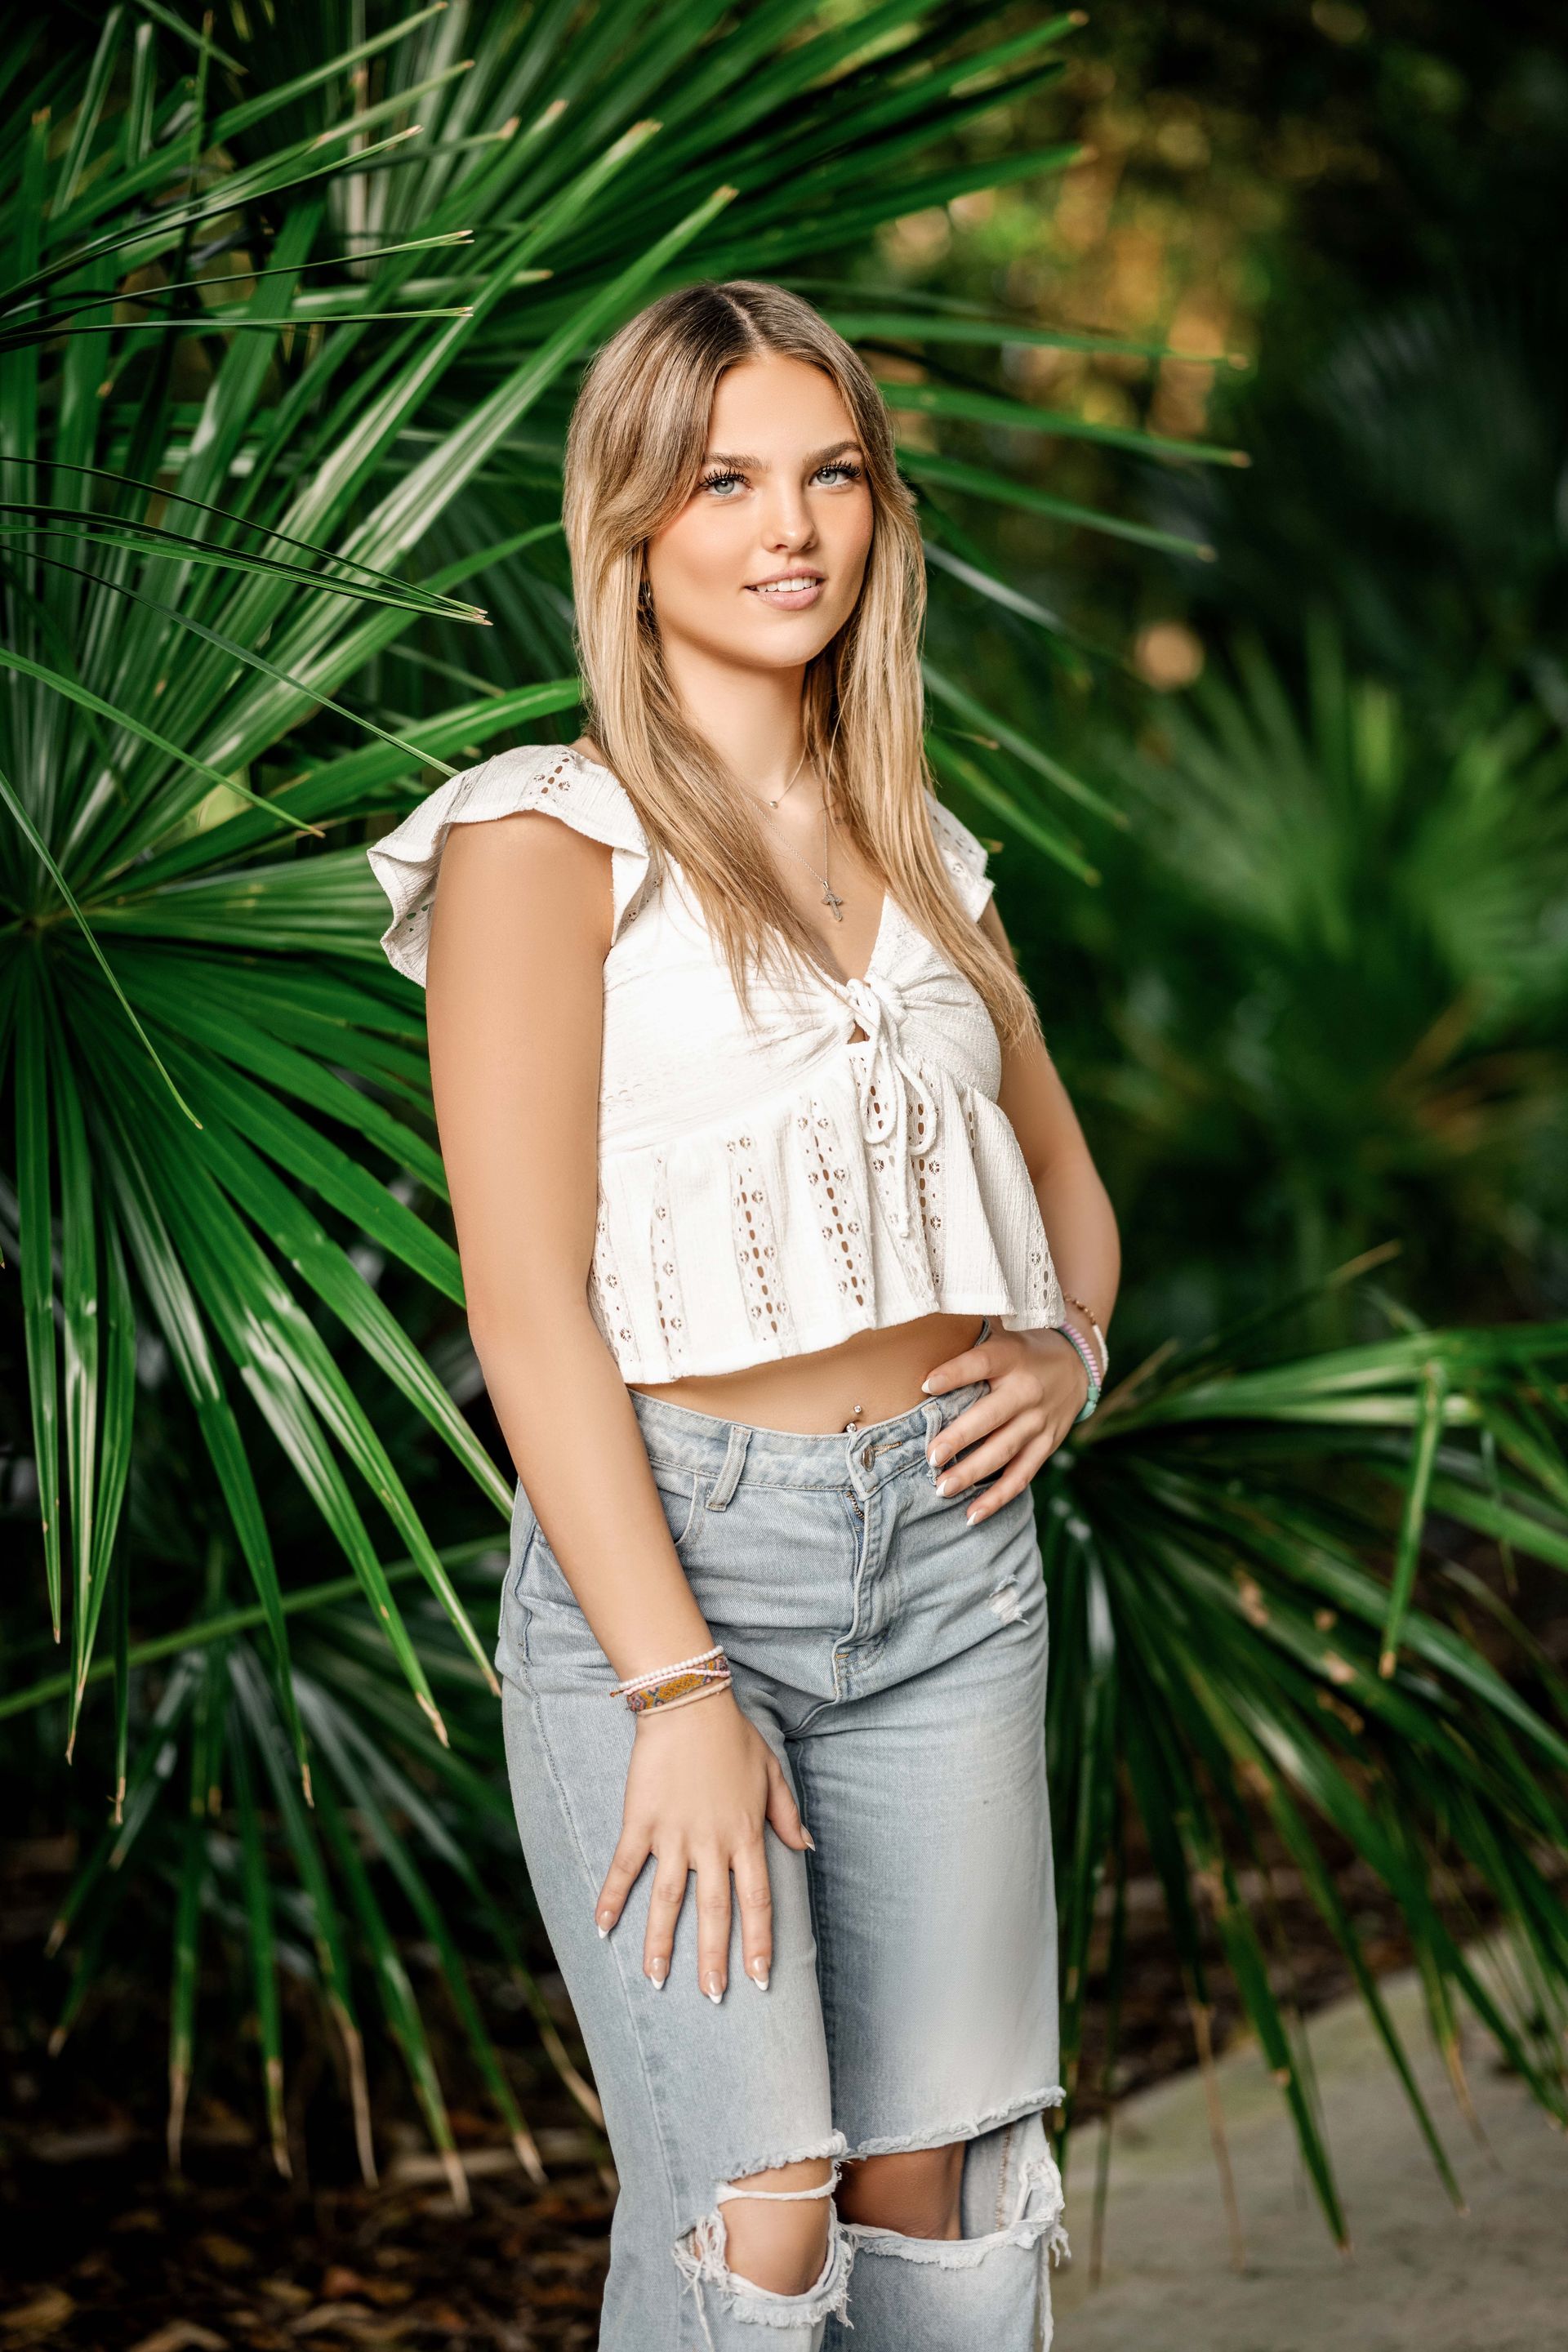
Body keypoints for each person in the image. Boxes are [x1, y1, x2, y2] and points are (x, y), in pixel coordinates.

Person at [368, 278, 1120, 2352]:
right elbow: (524, 1309)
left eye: (833, 476)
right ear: (632, 524)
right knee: (757, 2217)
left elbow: (1062, 1196)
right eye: (725, 481)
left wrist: (1066, 1354)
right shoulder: (544, 841)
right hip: (670, 1573)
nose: (790, 528)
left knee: (945, 2200)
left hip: (955, 1572)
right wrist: (680, 1689)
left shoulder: (916, 838)